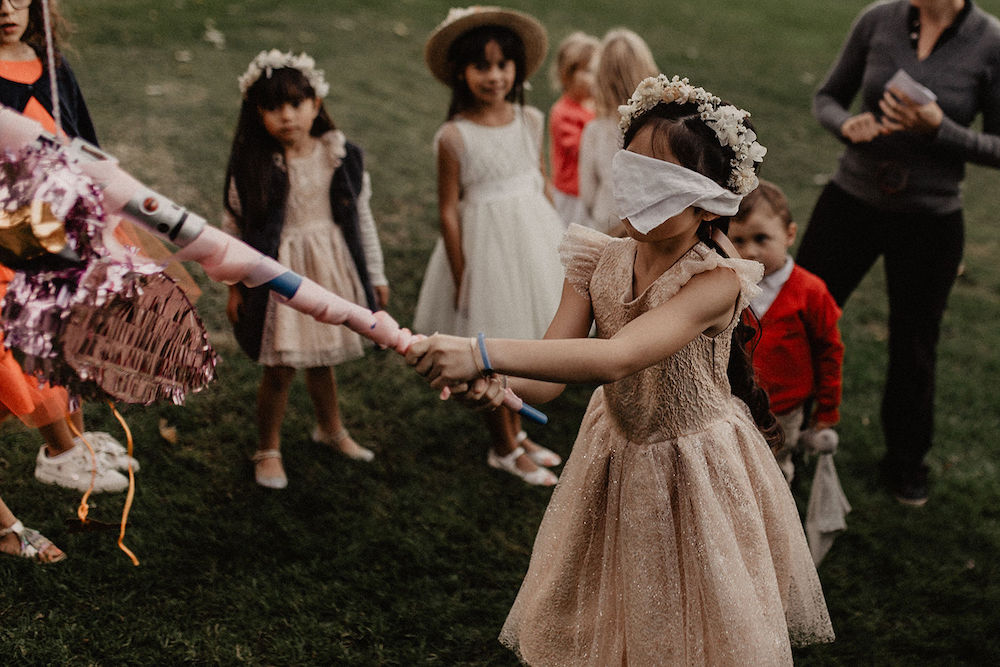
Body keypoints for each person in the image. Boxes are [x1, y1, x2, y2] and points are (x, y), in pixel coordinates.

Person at [407, 74, 834, 664]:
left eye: (656, 182)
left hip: (696, 469)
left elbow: (617, 355)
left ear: (708, 199)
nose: (632, 194)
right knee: (613, 613)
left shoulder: (714, 281)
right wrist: (497, 385)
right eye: (628, 169)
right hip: (613, 453)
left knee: (695, 626)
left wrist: (481, 351)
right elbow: (551, 376)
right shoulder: (598, 256)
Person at [796, 0, 1000, 506]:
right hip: (850, 201)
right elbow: (827, 97)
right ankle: (775, 427)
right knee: (800, 319)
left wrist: (940, 129)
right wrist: (847, 125)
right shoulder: (877, 19)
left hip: (930, 219)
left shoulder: (990, 41)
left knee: (914, 344)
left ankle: (906, 462)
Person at [222, 49, 390, 489]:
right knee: (280, 366)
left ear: (316, 104)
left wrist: (375, 274)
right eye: (273, 107)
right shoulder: (254, 165)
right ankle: (268, 447)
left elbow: (361, 219)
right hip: (279, 275)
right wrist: (236, 286)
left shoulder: (338, 154)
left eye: (296, 104)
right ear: (257, 113)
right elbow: (233, 228)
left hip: (330, 267)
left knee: (323, 360)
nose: (286, 116)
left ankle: (331, 429)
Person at [412, 7, 566, 486]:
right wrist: (463, 276)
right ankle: (502, 446)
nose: (495, 76)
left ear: (517, 68)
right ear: (462, 71)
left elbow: (539, 179)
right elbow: (448, 210)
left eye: (503, 65)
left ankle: (518, 435)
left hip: (532, 239)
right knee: (490, 350)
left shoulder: (530, 118)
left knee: (522, 344)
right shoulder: (454, 137)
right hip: (485, 252)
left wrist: (557, 242)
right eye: (482, 66)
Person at [0, 0, 134, 494]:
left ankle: (76, 438)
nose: (6, 8)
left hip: (66, 218)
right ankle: (58, 451)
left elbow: (83, 138)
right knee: (34, 341)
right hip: (15, 232)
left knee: (68, 330)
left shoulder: (50, 63)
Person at [728, 180, 844, 483]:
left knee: (773, 468)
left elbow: (829, 352)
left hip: (785, 407)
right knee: (733, 466)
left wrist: (827, 409)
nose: (750, 251)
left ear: (789, 235)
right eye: (738, 240)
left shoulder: (810, 292)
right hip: (731, 400)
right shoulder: (726, 284)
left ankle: (777, 521)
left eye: (761, 238)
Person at [578, 28, 658, 236]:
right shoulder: (660, 129)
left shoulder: (595, 131)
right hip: (652, 229)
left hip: (606, 227)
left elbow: (587, 195)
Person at [547, 30, 598, 226]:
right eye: (587, 72)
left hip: (591, 189)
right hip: (571, 194)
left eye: (595, 71)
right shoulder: (562, 113)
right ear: (566, 75)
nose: (594, 78)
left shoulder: (597, 106)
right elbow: (581, 149)